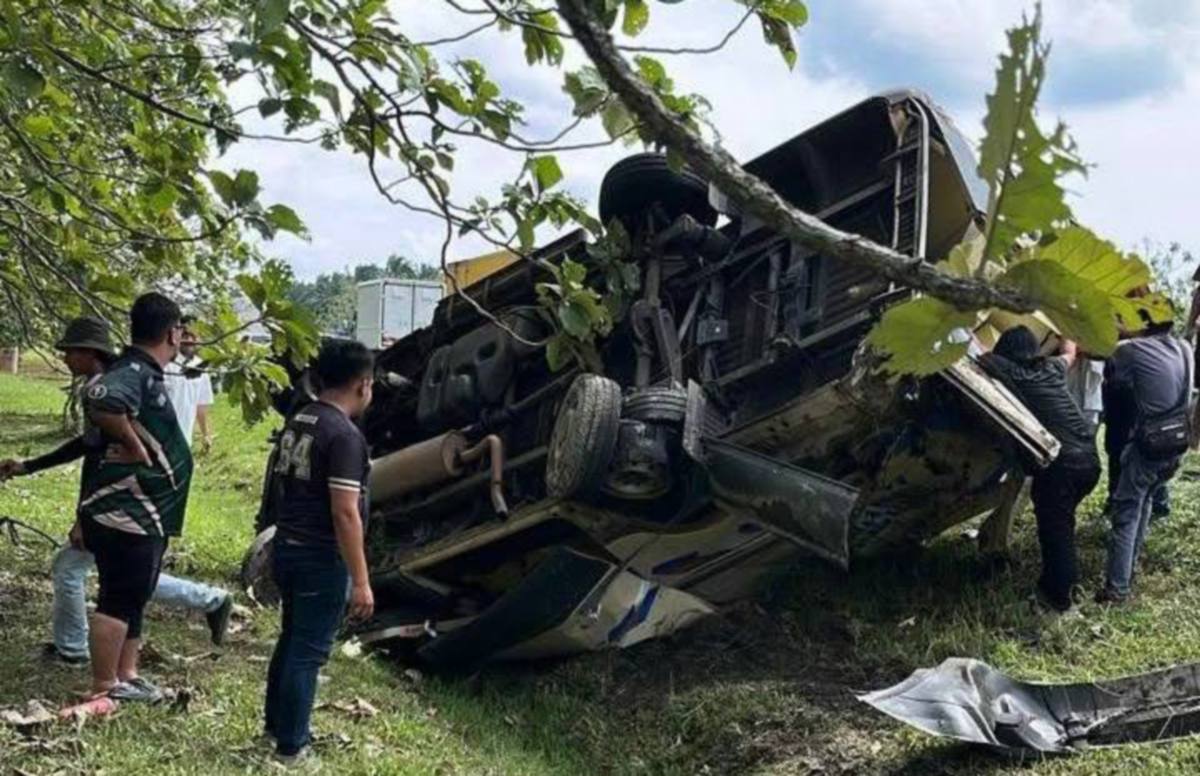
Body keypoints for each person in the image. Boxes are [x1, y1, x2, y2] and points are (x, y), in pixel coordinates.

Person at [0, 319, 232, 669]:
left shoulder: (108, 389)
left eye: (70, 352)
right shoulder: (118, 381)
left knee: (100, 574)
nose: (64, 360)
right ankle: (209, 600)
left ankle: (80, 653)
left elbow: (95, 460)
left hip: (130, 499)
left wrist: (84, 516)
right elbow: (90, 445)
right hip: (136, 497)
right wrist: (30, 465)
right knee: (127, 575)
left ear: (90, 354)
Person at [71, 293, 194, 712]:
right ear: (171, 332)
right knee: (119, 598)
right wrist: (132, 444)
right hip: (126, 513)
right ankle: (103, 685)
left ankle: (127, 676)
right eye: (181, 330)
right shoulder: (133, 371)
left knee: (134, 596)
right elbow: (101, 394)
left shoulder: (143, 373)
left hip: (145, 514)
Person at [262, 340, 375, 766]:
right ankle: (292, 747)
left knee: (292, 640)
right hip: (319, 555)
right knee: (308, 651)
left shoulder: (301, 419)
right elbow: (345, 512)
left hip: (287, 544)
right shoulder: (343, 435)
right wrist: (361, 581)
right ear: (363, 384)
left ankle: (278, 727)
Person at [979, 326, 1101, 614]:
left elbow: (981, 357)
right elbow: (1069, 353)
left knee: (1055, 530)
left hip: (1062, 464)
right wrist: (1066, 329)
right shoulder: (1051, 369)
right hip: (1089, 460)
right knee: (1062, 524)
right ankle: (1062, 584)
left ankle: (1057, 597)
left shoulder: (1011, 372)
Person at [1098, 316, 1193, 604]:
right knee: (1146, 501)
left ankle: (1117, 590)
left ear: (1141, 322)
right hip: (1178, 442)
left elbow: (1114, 379)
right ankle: (1128, 571)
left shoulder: (1132, 349)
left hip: (1149, 443)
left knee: (1126, 514)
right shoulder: (1185, 347)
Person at [163, 316, 214, 453]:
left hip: (184, 440)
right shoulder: (165, 364)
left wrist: (206, 435)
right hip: (160, 439)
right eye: (185, 335)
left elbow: (201, 406)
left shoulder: (200, 367)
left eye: (193, 336)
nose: (189, 340)